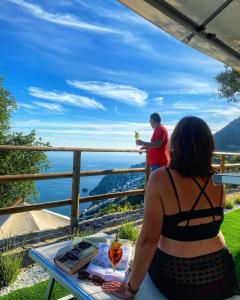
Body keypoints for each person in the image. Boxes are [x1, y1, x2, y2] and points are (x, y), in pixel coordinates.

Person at [103, 116, 239, 300]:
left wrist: (130, 290)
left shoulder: (161, 179)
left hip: (178, 276)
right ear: (208, 145)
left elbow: (148, 240)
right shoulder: (218, 180)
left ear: (176, 144)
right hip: (222, 275)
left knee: (137, 262)